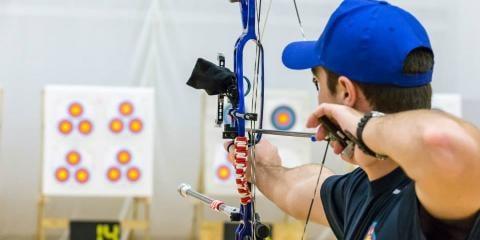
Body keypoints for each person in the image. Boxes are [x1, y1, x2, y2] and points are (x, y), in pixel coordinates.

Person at [226, 0, 480, 239]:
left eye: (318, 83)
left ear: (346, 93)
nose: (319, 98)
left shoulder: (433, 199)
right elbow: (298, 188)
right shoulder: (360, 191)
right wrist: (260, 166)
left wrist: (362, 127)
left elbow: (442, 142)